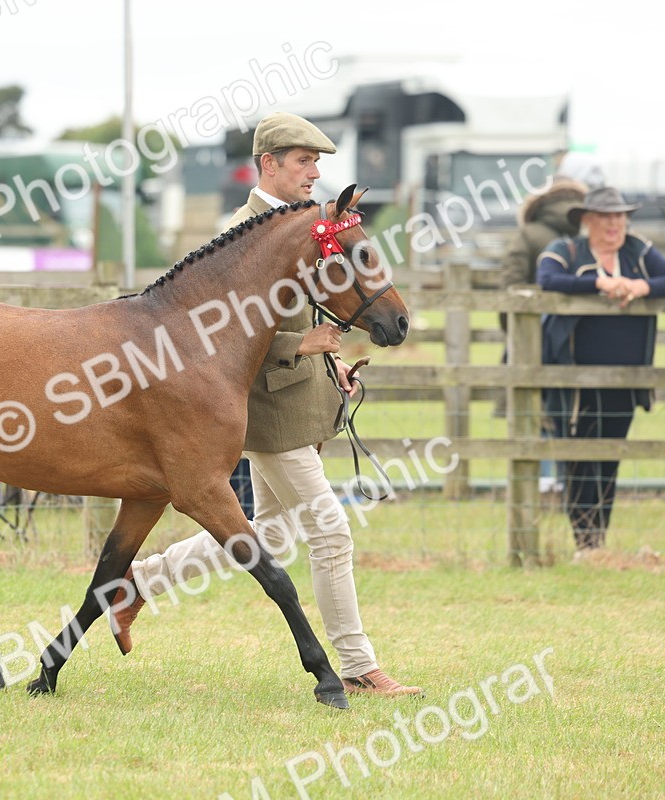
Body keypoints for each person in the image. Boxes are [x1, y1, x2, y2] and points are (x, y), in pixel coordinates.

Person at [111, 112, 421, 697]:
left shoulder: (306, 225)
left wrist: (330, 365)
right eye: (303, 161)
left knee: (269, 534)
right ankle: (357, 665)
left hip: (297, 397)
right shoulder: (238, 231)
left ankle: (142, 583)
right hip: (265, 410)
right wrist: (298, 345)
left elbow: (309, 312)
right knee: (331, 532)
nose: (315, 172)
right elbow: (213, 331)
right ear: (269, 164)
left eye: (318, 162)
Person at [537, 186, 665, 552]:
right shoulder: (567, 250)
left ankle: (598, 541)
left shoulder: (638, 251)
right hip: (572, 379)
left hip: (626, 378)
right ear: (587, 221)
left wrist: (640, 285)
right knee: (577, 460)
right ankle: (584, 543)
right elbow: (547, 279)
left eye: (620, 217)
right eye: (606, 218)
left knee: (609, 459)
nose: (614, 225)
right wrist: (598, 283)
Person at [497, 174, 590, 490]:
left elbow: (510, 285)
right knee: (570, 408)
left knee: (534, 410)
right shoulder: (586, 235)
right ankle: (567, 479)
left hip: (534, 337)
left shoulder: (529, 234)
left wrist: (514, 333)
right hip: (580, 339)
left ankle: (543, 480)